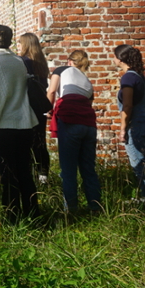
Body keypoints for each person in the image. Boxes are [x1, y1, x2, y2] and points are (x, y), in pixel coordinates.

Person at [0, 25, 39, 221]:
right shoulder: (19, 63)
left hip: (3, 123)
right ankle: (33, 213)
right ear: (11, 41)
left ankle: (12, 215)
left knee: (7, 172)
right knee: (24, 170)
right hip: (24, 122)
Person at [47, 49, 101, 212]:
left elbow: (51, 91)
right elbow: (89, 103)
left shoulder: (62, 70)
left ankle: (71, 209)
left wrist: (47, 110)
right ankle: (95, 206)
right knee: (88, 168)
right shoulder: (87, 81)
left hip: (70, 120)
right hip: (88, 124)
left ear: (69, 61)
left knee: (68, 169)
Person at [115, 44, 145, 204]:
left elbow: (127, 106)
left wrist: (123, 129)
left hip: (137, 123)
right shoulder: (139, 76)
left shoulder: (128, 78)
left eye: (114, 56)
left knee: (138, 161)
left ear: (120, 59)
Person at [18, 32, 51, 185]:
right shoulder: (41, 63)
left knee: (26, 142)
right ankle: (43, 175)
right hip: (40, 106)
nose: (18, 46)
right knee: (40, 141)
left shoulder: (22, 62)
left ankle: (29, 175)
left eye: (20, 43)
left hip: (26, 105)